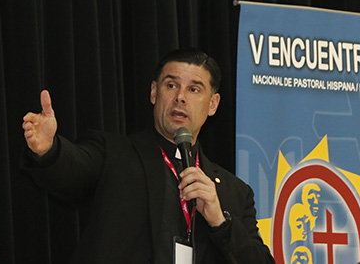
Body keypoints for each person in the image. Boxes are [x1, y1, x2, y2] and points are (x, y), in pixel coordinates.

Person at [21, 48, 275, 263]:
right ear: (154, 92)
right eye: (171, 85)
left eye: (194, 89)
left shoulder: (235, 192)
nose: (180, 97)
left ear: (213, 104)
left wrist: (220, 221)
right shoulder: (113, 154)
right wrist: (49, 150)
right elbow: (73, 169)